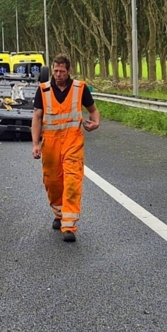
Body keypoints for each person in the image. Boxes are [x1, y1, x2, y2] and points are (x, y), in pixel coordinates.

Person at [31, 54, 100, 242]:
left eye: (62, 71)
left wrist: (96, 123)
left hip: (73, 142)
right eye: (55, 71)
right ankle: (59, 213)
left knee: (72, 180)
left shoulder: (80, 88)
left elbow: (93, 110)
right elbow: (37, 117)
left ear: (69, 71)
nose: (58, 74)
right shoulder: (43, 90)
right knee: (52, 181)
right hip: (50, 143)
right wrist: (35, 144)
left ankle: (69, 226)